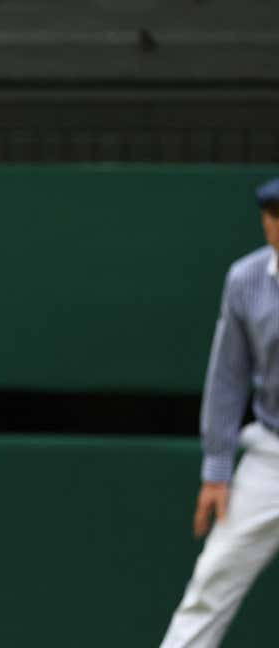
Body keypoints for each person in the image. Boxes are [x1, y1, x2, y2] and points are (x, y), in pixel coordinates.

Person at [160, 178, 279, 647]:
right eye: (272, 214)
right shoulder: (245, 280)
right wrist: (217, 472)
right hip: (271, 456)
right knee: (212, 580)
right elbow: (228, 376)